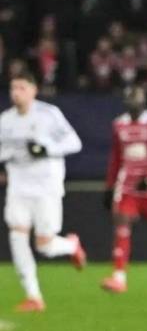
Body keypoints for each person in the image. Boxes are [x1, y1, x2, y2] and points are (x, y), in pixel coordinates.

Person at [0, 71, 86, 312]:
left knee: (44, 245)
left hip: (46, 186)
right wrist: (13, 154)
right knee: (17, 235)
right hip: (18, 186)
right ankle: (33, 295)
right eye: (13, 88)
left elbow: (74, 142)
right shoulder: (5, 120)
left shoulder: (49, 114)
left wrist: (47, 149)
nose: (16, 93)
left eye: (21, 88)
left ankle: (71, 246)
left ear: (33, 90)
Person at [101, 86, 147, 294]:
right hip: (128, 182)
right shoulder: (119, 124)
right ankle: (119, 277)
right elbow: (116, 157)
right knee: (121, 224)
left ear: (144, 101)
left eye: (137, 99)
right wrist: (109, 186)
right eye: (130, 99)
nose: (133, 103)